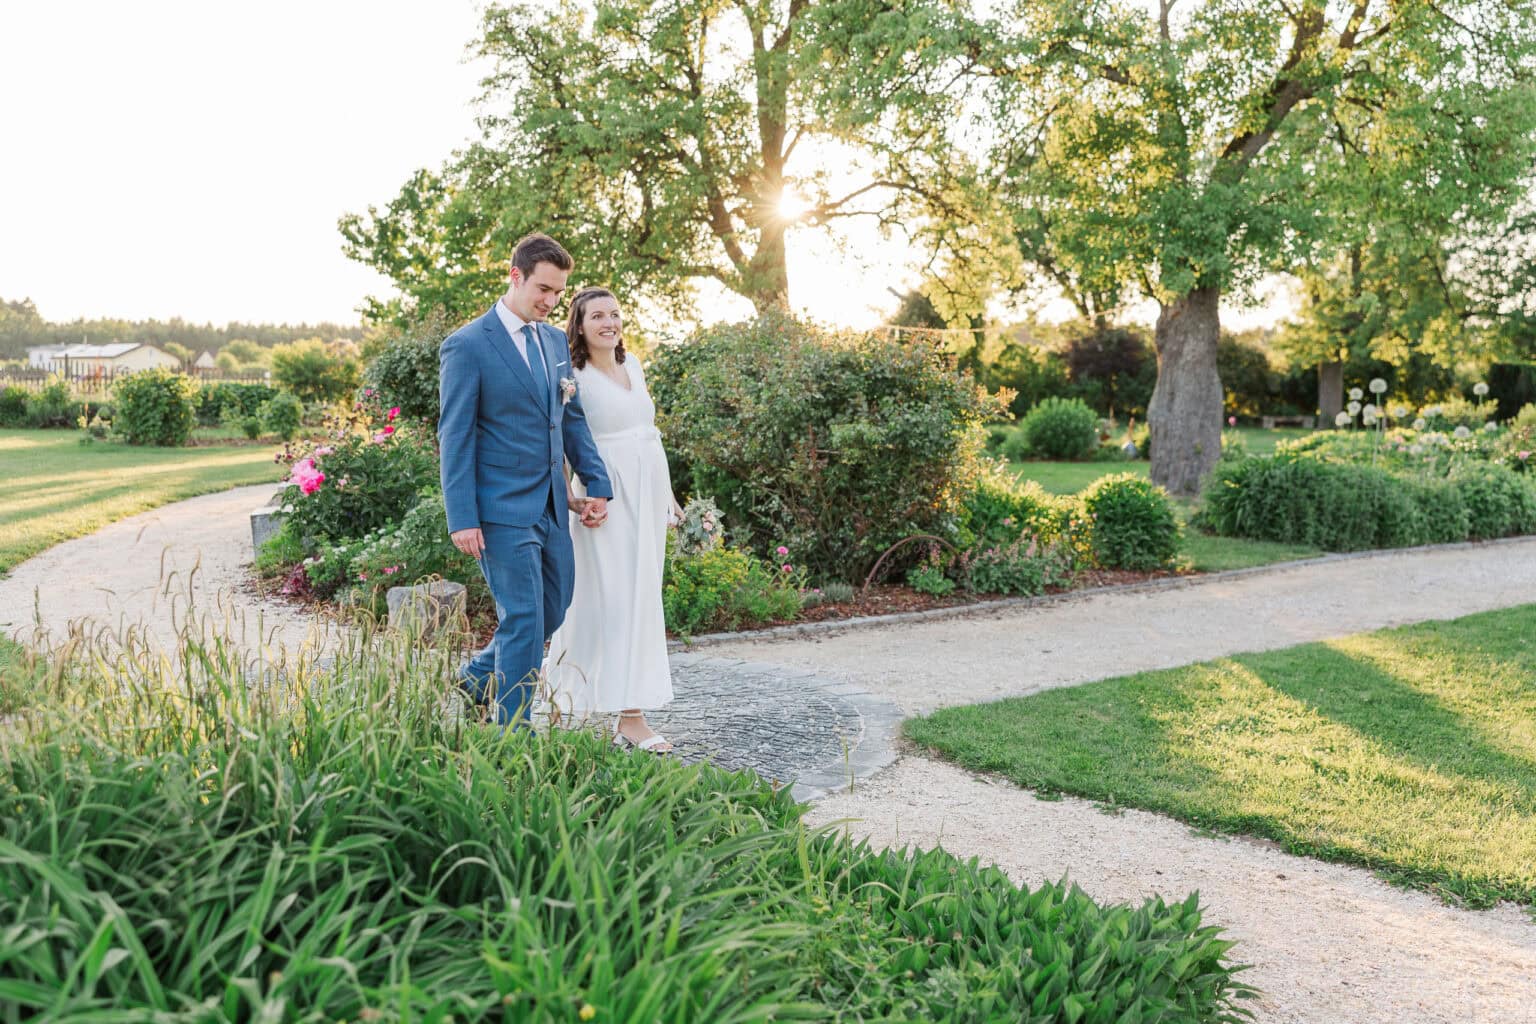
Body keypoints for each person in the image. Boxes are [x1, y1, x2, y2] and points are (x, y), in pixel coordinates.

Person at [438, 233, 613, 727]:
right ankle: (512, 731)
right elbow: (455, 437)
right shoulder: (468, 345)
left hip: (554, 507)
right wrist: (463, 518)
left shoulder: (555, 341)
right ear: (515, 276)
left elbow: (571, 419)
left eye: (559, 292)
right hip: (499, 511)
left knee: (552, 611)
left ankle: (473, 678)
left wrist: (594, 483)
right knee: (523, 619)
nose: (552, 301)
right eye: (543, 289)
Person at [545, 287, 679, 753]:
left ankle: (629, 714)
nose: (609, 322)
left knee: (642, 599)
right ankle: (569, 697)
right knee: (603, 599)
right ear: (578, 326)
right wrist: (569, 500)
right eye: (597, 315)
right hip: (605, 497)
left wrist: (669, 497)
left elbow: (648, 433)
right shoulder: (571, 375)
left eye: (615, 314)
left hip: (646, 493)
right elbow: (558, 441)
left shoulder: (634, 365)